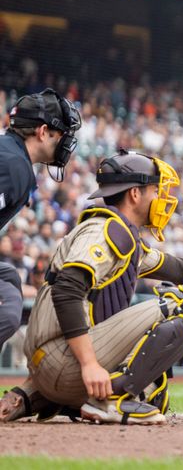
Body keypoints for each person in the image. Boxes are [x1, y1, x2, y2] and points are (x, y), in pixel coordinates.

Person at [0, 150, 183, 424]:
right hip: (65, 362)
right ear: (134, 193)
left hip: (47, 369)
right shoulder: (107, 231)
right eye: (156, 190)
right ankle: (109, 402)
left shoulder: (121, 236)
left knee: (156, 392)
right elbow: (67, 289)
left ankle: (32, 398)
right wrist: (89, 364)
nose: (161, 198)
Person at [0, 89, 82, 349]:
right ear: (43, 131)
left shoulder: (11, 154)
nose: (65, 143)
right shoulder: (14, 165)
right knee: (7, 313)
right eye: (61, 135)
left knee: (10, 279)